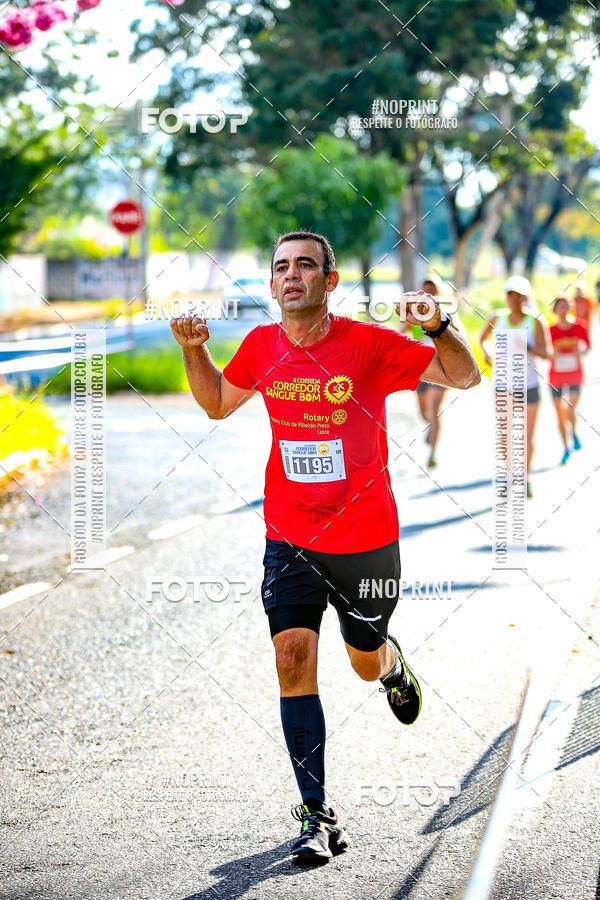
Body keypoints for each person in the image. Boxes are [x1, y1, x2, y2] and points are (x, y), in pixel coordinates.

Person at [171, 230, 480, 865]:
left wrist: (440, 324)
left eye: (305, 265)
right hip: (290, 535)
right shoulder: (260, 346)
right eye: (281, 266)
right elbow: (216, 405)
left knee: (363, 659)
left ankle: (391, 666)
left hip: (366, 539)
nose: (291, 275)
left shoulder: (367, 344)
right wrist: (193, 351)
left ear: (329, 281)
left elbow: (466, 376)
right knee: (291, 658)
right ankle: (316, 814)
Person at [480, 275, 551, 499]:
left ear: (525, 297)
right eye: (510, 295)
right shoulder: (496, 318)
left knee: (526, 436)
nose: (514, 299)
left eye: (519, 295)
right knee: (505, 435)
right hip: (502, 384)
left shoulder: (535, 321)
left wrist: (528, 346)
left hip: (528, 385)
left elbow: (547, 353)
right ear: (506, 297)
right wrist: (488, 353)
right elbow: (483, 339)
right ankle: (510, 475)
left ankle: (526, 477)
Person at [399, 274, 447, 468]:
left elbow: (458, 334)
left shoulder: (446, 311)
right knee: (423, 412)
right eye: (425, 288)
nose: (428, 292)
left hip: (441, 368)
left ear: (438, 292)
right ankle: (431, 427)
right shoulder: (415, 314)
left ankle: (433, 453)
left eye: (432, 289)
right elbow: (400, 334)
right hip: (421, 368)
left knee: (434, 410)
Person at [548, 296, 590, 463]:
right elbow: (544, 350)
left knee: (570, 408)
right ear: (555, 309)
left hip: (575, 373)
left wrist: (581, 351)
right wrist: (551, 354)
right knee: (559, 413)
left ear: (570, 308)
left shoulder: (580, 326)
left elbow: (588, 346)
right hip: (556, 375)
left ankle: (573, 431)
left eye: (566, 306)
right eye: (560, 307)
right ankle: (566, 447)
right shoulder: (549, 330)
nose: (563, 310)